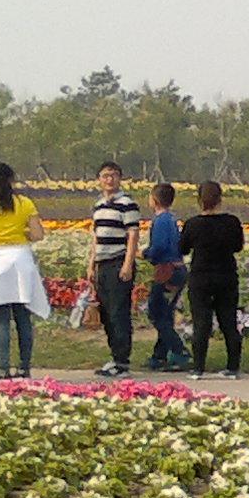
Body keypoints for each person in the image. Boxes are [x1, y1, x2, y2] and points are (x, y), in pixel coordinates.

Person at [0, 162, 51, 377]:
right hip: (21, 259)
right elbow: (38, 234)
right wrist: (23, 233)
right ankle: (24, 366)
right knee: (23, 317)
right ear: (11, 179)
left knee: (0, 319)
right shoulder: (24, 202)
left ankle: (2, 367)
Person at [178, 178, 246, 379]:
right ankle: (232, 367)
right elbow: (238, 247)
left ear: (199, 200)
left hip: (201, 277)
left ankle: (198, 368)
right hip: (226, 276)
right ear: (220, 199)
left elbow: (183, 249)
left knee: (201, 323)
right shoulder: (232, 222)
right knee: (228, 322)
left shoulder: (193, 224)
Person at [89, 162, 143, 379]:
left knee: (119, 312)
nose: (109, 180)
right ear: (99, 179)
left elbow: (133, 235)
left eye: (113, 175)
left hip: (118, 261)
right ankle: (114, 356)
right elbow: (95, 237)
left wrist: (128, 264)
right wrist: (91, 264)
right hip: (102, 263)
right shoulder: (99, 206)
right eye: (105, 176)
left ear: (120, 178)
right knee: (106, 313)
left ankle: (122, 361)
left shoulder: (127, 204)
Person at [141, 180, 189, 371]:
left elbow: (159, 247)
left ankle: (179, 351)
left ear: (154, 200)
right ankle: (159, 355)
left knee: (156, 312)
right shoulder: (172, 220)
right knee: (166, 314)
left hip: (167, 271)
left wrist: (145, 254)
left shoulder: (160, 221)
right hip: (178, 269)